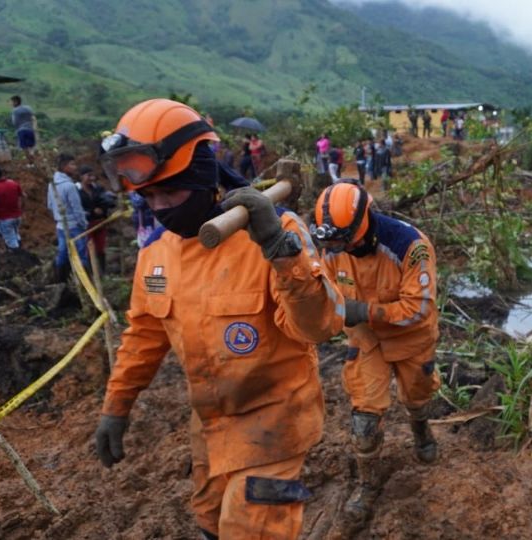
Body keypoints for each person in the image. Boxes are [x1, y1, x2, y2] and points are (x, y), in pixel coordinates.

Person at [93, 98, 344, 540]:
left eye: (171, 192)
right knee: (210, 519)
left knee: (252, 530)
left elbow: (321, 326)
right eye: (150, 197)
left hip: (275, 423)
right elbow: (144, 337)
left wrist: (278, 248)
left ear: (201, 178)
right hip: (209, 423)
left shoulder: (275, 232)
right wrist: (117, 406)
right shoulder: (156, 255)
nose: (162, 207)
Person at [311, 182, 440, 530]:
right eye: (333, 244)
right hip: (367, 342)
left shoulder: (409, 246)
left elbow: (420, 307)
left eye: (344, 242)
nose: (340, 250)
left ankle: (421, 428)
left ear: (364, 222)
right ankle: (367, 484)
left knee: (417, 394)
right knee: (364, 418)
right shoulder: (332, 247)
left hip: (411, 337)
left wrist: (364, 311)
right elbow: (324, 290)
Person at [47, 153, 89, 283]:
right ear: (65, 167)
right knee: (82, 254)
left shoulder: (52, 184)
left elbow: (49, 205)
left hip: (60, 225)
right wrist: (84, 224)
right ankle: (84, 281)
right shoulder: (69, 186)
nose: (75, 167)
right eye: (72, 164)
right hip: (74, 226)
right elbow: (77, 209)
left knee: (63, 253)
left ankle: (60, 281)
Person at [79, 165, 117, 274]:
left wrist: (103, 208)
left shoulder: (98, 189)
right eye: (88, 175)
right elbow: (78, 208)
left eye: (92, 175)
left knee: (100, 247)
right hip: (87, 224)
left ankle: (102, 272)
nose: (91, 178)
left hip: (100, 222)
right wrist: (92, 211)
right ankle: (91, 272)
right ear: (81, 177)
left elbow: (106, 201)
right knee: (88, 248)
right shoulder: (77, 191)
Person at [0, 166, 24, 250]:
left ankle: (17, 256)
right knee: (16, 234)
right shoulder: (13, 183)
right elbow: (21, 196)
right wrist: (19, 209)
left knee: (10, 240)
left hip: (4, 218)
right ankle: (21, 250)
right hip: (17, 216)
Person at [9, 95, 37, 161]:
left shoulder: (14, 111)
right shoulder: (28, 108)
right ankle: (31, 155)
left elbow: (14, 122)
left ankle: (29, 161)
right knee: (31, 146)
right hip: (30, 130)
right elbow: (32, 117)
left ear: (15, 102)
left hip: (21, 130)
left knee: (24, 147)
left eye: (12, 102)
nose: (11, 104)